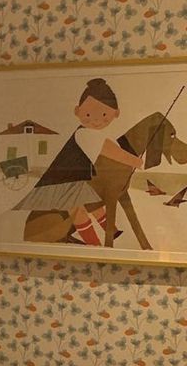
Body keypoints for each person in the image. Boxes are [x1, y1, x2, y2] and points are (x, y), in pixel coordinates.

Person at [15, 78, 142, 245]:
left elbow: (112, 146)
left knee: (89, 201)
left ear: (115, 113)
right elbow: (109, 150)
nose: (96, 120)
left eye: (104, 115)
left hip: (75, 180)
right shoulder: (84, 133)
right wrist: (135, 161)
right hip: (60, 181)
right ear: (77, 111)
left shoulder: (95, 134)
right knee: (78, 209)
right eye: (88, 115)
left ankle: (111, 229)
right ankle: (94, 243)